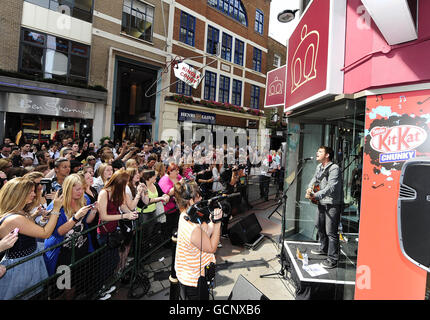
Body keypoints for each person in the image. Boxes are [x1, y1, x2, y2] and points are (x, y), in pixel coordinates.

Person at [0, 177, 63, 299]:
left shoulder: (19, 212)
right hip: (20, 267)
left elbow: (27, 230)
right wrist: (56, 209)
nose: (34, 194)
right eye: (30, 192)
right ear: (18, 194)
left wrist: (38, 217)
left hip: (29, 260)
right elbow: (45, 233)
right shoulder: (15, 218)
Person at [43, 174, 96, 299]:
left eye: (82, 188)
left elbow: (87, 221)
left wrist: (94, 210)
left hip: (80, 248)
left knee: (75, 283)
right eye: (77, 189)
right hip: (62, 253)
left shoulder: (84, 199)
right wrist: (75, 217)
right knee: (62, 287)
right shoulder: (57, 206)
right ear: (68, 188)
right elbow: (58, 232)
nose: (81, 192)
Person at [174, 180, 222, 300]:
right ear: (190, 200)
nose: (201, 198)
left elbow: (203, 234)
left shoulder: (185, 215)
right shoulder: (193, 228)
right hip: (194, 280)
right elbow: (211, 248)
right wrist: (218, 223)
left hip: (189, 274)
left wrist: (211, 222)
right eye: (198, 196)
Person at [97, 169, 139, 283]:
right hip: (104, 232)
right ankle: (102, 287)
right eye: (125, 184)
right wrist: (124, 216)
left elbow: (123, 206)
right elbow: (104, 216)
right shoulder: (104, 193)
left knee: (113, 260)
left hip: (114, 230)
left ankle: (109, 282)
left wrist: (131, 214)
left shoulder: (117, 192)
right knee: (105, 262)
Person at [305, 146, 343, 269]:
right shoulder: (319, 167)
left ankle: (333, 259)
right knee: (319, 225)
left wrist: (315, 195)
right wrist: (310, 187)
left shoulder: (334, 168)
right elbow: (314, 178)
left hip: (332, 204)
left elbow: (331, 187)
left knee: (331, 232)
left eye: (320, 152)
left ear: (327, 155)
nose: (317, 153)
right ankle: (323, 248)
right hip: (322, 202)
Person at [158, 163, 183, 238]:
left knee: (175, 224)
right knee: (168, 226)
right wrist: (179, 184)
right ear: (170, 171)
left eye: (178, 170)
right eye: (176, 171)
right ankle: (167, 242)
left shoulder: (177, 176)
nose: (178, 172)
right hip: (168, 208)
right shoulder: (164, 180)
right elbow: (168, 192)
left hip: (177, 206)